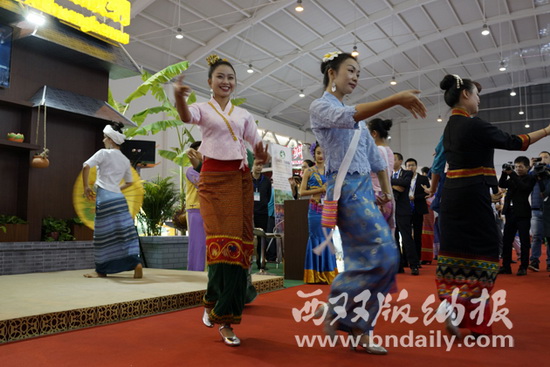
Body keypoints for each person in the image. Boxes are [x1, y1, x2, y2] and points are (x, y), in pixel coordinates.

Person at [310, 51, 426, 355]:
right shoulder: (321, 107)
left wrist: (386, 192)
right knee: (386, 255)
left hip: (366, 193)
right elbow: (348, 117)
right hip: (345, 191)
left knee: (371, 261)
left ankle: (361, 330)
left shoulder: (360, 123)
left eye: (358, 72)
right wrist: (395, 98)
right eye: (350, 70)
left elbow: (377, 161)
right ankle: (337, 303)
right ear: (332, 73)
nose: (356, 77)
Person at [435, 74, 550, 338]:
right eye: (476, 94)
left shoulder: (449, 127)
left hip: (452, 195)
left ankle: (453, 307)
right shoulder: (473, 125)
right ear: (464, 94)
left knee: (454, 252)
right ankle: (474, 320)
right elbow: (514, 141)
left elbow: (440, 163)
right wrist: (546, 130)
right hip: (472, 195)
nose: (479, 99)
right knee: (484, 252)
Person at [173, 54, 269, 347]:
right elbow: (186, 116)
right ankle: (218, 309)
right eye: (220, 77)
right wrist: (178, 97)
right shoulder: (202, 108)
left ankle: (221, 312)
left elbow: (255, 143)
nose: (226, 82)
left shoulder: (243, 115)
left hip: (240, 181)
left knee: (239, 252)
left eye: (230, 78)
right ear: (210, 82)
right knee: (221, 247)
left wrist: (262, 152)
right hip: (213, 182)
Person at [82, 122, 143, 279]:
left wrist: (86, 188)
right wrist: (116, 189)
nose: (103, 141)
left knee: (103, 236)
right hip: (119, 199)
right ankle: (136, 264)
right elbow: (129, 182)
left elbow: (85, 166)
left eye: (104, 138)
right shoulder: (124, 159)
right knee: (124, 234)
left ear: (110, 139)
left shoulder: (103, 153)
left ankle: (101, 270)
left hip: (104, 197)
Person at [299, 142, 338, 284]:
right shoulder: (309, 171)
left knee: (327, 238)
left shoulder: (331, 171)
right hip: (314, 210)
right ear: (314, 154)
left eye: (323, 153)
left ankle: (328, 274)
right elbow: (301, 192)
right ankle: (314, 275)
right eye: (318, 153)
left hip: (328, 209)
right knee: (315, 238)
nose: (321, 156)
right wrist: (319, 190)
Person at [498, 156, 536, 276]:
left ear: (527, 167)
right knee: (507, 240)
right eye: (516, 166)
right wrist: (504, 173)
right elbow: (502, 183)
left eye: (521, 167)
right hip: (510, 213)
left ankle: (523, 266)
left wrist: (512, 174)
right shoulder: (513, 179)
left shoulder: (530, 178)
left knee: (524, 241)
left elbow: (523, 187)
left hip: (523, 213)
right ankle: (506, 266)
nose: (518, 169)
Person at [392, 152, 419, 275]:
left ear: (400, 161)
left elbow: (405, 184)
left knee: (407, 238)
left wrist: (389, 182)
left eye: (394, 159)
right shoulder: (388, 173)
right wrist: (395, 185)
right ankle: (399, 265)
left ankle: (414, 265)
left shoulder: (406, 173)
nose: (391, 161)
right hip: (391, 210)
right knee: (394, 239)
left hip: (403, 210)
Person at [367, 118, 395, 232]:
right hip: (387, 195)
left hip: (377, 197)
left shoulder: (376, 150)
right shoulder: (389, 151)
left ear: (374, 133)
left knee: (373, 237)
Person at [185, 141, 207, 271]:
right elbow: (204, 184)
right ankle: (195, 272)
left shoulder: (206, 169)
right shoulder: (190, 171)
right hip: (196, 210)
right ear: (193, 153)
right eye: (201, 151)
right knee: (197, 244)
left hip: (208, 210)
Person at [404, 158, 430, 262]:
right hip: (405, 209)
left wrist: (415, 197)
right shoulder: (403, 178)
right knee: (406, 235)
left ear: (416, 166)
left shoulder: (423, 179)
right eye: (409, 165)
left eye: (413, 165)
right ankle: (406, 258)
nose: (411, 167)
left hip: (418, 209)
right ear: (405, 167)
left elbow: (427, 193)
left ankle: (417, 258)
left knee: (418, 234)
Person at [528, 151, 550, 272]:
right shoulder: (534, 173)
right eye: (540, 158)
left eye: (546, 157)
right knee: (536, 236)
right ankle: (534, 261)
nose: (543, 160)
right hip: (536, 209)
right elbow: (524, 180)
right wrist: (531, 166)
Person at [252, 158, 273, 269]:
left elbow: (268, 196)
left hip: (262, 213)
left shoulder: (266, 181)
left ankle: (261, 262)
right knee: (248, 237)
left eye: (261, 165)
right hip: (249, 213)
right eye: (257, 165)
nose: (259, 167)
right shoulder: (247, 179)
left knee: (261, 238)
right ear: (252, 165)